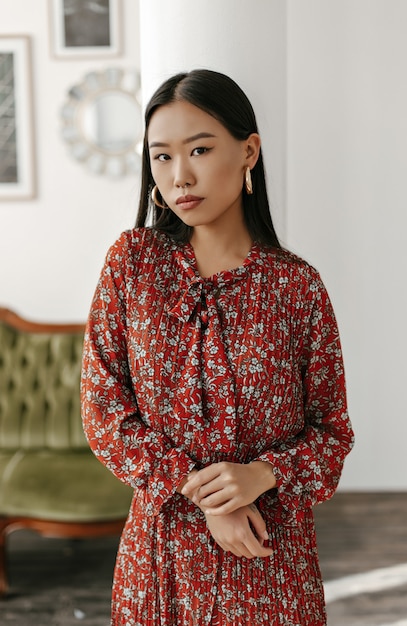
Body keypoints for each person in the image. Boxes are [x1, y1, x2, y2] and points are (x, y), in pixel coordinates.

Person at [81, 68, 354, 625]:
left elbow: (332, 434)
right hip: (162, 561)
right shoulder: (132, 265)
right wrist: (206, 495)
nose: (180, 175)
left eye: (200, 149)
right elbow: (104, 412)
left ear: (248, 150)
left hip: (270, 562)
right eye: (161, 157)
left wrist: (261, 475)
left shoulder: (296, 286)